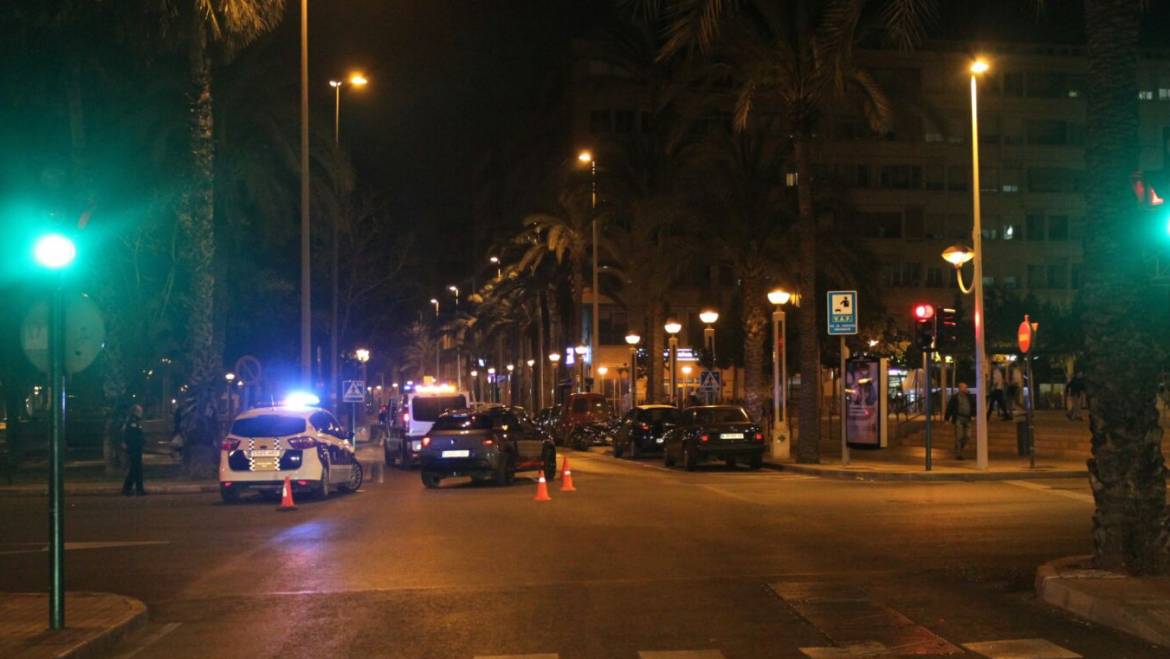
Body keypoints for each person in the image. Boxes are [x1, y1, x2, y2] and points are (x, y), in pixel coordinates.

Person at [945, 382, 977, 459]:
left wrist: (973, 414)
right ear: (960, 388)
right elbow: (950, 407)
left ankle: (959, 447)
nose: (966, 389)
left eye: (966, 387)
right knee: (959, 436)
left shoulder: (969, 397)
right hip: (959, 418)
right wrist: (947, 418)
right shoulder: (955, 397)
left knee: (968, 436)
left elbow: (974, 406)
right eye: (964, 387)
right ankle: (958, 453)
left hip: (967, 418)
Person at [122, 404, 147, 496]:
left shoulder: (135, 421)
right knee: (136, 470)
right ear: (136, 412)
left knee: (135, 470)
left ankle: (134, 489)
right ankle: (134, 489)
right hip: (134, 449)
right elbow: (132, 436)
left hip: (136, 448)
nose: (142, 413)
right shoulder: (132, 422)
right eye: (140, 411)